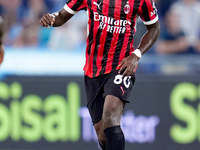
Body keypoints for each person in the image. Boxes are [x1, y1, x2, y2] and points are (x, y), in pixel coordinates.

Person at [39, 0, 160, 149]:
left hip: (122, 65)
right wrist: (51, 18)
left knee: (110, 114)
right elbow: (62, 16)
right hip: (93, 69)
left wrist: (136, 55)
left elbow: (154, 28)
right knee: (103, 135)